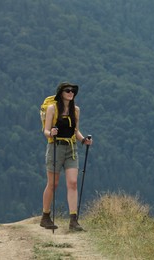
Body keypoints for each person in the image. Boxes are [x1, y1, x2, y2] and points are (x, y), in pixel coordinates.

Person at [40, 82, 93, 231]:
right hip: (55, 147)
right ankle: (45, 216)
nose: (71, 93)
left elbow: (75, 131)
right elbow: (45, 130)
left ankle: (73, 220)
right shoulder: (52, 109)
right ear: (61, 93)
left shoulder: (75, 110)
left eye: (73, 91)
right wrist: (51, 133)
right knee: (53, 184)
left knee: (73, 183)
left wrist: (83, 140)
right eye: (68, 91)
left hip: (71, 148)